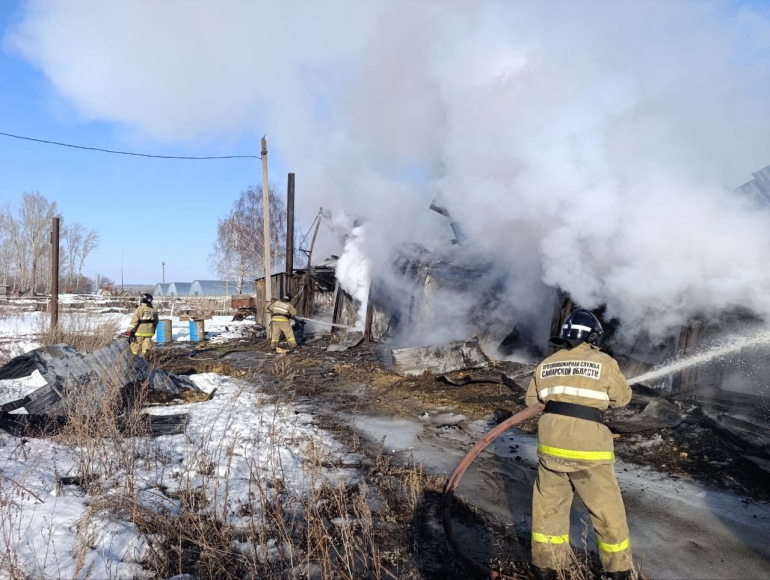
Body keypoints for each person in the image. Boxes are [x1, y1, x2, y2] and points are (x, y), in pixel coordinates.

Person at [526, 308, 634, 580]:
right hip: (589, 450)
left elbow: (531, 402)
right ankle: (617, 571)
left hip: (551, 448)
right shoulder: (604, 362)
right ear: (593, 337)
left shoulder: (546, 364)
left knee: (549, 508)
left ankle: (546, 567)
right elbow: (622, 399)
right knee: (607, 511)